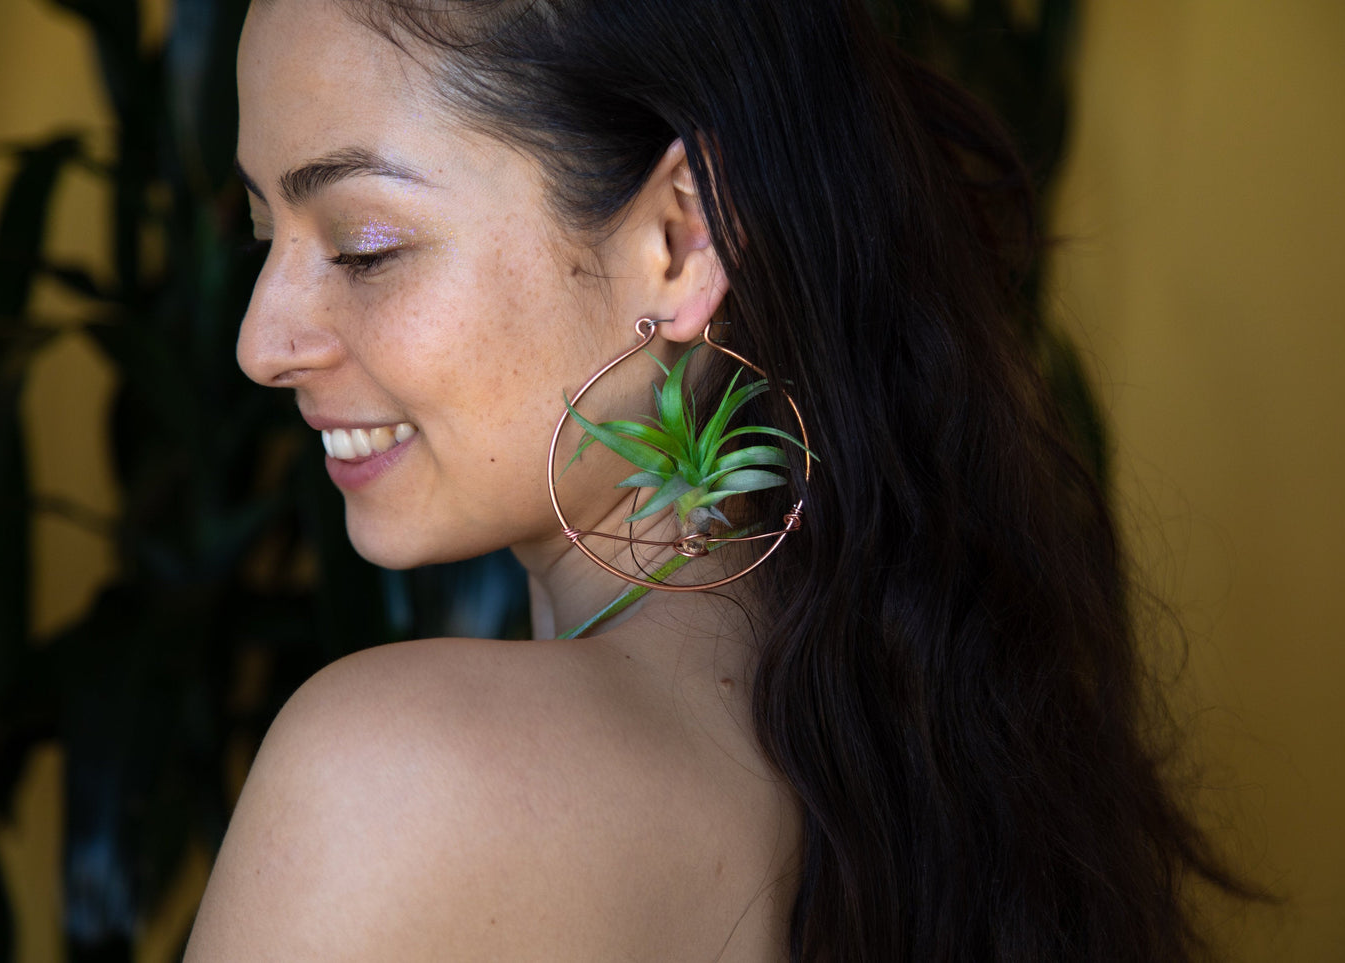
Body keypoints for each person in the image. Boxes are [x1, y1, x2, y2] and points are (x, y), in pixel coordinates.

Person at [185, 0, 1248, 960]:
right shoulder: (928, 755)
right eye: (263, 236)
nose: (260, 344)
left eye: (364, 246)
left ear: (681, 239)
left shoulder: (391, 778)